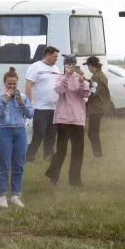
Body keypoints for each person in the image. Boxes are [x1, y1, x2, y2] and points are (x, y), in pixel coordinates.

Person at [45, 54, 91, 187]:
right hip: (63, 119)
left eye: (72, 65)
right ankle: (53, 175)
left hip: (77, 119)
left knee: (78, 151)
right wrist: (67, 76)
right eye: (68, 65)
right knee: (62, 150)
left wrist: (82, 81)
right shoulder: (59, 77)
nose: (70, 67)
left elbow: (86, 94)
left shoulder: (80, 78)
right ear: (64, 66)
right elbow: (59, 90)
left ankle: (75, 181)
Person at [0, 67, 34, 208]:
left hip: (20, 131)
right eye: (9, 84)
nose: (12, 86)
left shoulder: (23, 97)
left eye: (14, 84)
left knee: (19, 164)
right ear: (4, 83)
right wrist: (4, 100)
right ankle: (2, 195)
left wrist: (22, 103)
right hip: (4, 131)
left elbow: (30, 114)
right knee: (3, 163)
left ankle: (15, 195)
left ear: (17, 84)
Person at [24, 45, 61, 162]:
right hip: (39, 108)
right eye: (55, 56)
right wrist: (28, 104)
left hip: (53, 108)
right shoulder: (36, 67)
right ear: (48, 55)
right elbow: (28, 85)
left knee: (51, 134)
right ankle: (29, 156)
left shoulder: (56, 69)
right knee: (38, 134)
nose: (56, 59)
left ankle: (49, 156)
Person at [84, 56, 110, 159]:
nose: (88, 68)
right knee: (93, 132)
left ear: (91, 66)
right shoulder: (101, 75)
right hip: (100, 106)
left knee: (92, 133)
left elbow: (93, 92)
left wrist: (85, 87)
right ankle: (98, 155)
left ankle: (97, 155)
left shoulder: (96, 77)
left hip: (96, 108)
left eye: (88, 66)